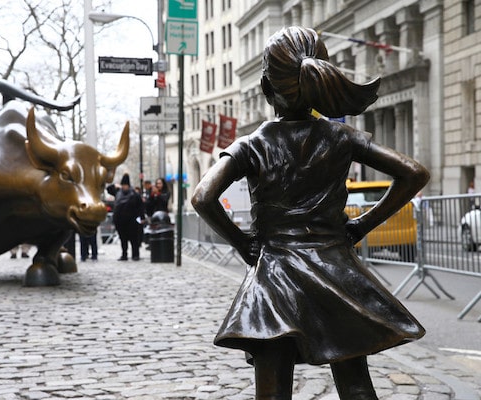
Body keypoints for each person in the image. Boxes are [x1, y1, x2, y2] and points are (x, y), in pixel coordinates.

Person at [191, 27, 430, 400]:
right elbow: (414, 173)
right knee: (354, 383)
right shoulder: (341, 137)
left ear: (266, 88)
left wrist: (243, 244)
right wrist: (361, 225)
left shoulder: (251, 145)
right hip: (336, 269)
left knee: (272, 389)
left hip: (274, 276)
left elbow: (203, 197)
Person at [107, 173, 144, 261]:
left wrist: (141, 218)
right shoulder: (118, 192)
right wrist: (115, 185)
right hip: (120, 221)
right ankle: (124, 254)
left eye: (125, 185)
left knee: (133, 239)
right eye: (123, 185)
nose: (124, 187)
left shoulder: (134, 194)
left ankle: (135, 255)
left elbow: (140, 207)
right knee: (123, 240)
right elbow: (108, 189)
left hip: (131, 220)